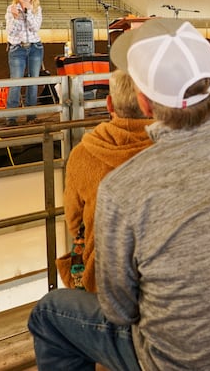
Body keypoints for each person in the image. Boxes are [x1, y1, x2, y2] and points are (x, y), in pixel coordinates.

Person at [28, 19, 210, 370]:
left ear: (144, 102)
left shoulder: (125, 186)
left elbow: (118, 310)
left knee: (49, 312)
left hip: (177, 363)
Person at [56, 70, 153, 293]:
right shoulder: (171, 147)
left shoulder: (83, 153)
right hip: (159, 281)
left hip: (101, 278)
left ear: (109, 104)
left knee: (46, 312)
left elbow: (74, 220)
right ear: (151, 104)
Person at [4, 0, 43, 124]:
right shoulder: (11, 9)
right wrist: (15, 17)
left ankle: (31, 115)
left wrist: (27, 13)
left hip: (35, 48)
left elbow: (35, 27)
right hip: (17, 48)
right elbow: (10, 31)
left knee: (33, 82)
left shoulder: (36, 8)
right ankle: (11, 117)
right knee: (16, 82)